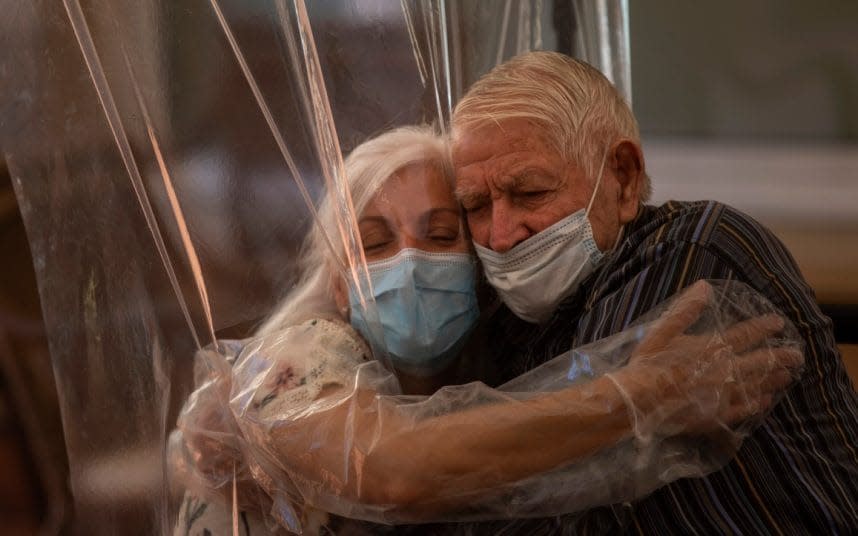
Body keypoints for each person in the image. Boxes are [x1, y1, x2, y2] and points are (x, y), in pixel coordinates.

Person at [171, 126, 802, 534]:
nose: (409, 264)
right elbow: (386, 468)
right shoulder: (307, 349)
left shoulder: (487, 376)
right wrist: (636, 397)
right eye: (373, 244)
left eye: (442, 236)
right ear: (339, 285)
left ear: (480, 267)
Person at [449, 51, 858, 533]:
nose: (500, 235)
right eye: (475, 205)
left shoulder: (695, 252)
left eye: (532, 193)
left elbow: (551, 486)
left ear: (623, 178)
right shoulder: (515, 320)